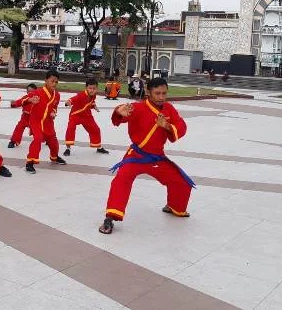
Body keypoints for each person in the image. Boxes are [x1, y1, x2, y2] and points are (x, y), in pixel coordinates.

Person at [99, 77, 192, 235]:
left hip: (157, 157)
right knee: (121, 180)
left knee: (182, 182)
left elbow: (181, 126)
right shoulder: (138, 108)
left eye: (164, 93)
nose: (162, 97)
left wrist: (168, 126)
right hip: (136, 155)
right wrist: (118, 112)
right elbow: (121, 115)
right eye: (157, 93)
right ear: (148, 92)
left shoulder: (169, 109)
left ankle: (174, 206)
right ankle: (110, 217)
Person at [25, 70, 66, 174]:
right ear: (46, 81)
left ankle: (54, 157)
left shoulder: (57, 95)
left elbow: (54, 107)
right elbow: (24, 99)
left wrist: (53, 112)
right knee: (38, 138)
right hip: (36, 121)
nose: (54, 84)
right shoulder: (37, 92)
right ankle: (30, 162)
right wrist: (28, 101)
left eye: (56, 82)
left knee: (53, 142)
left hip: (48, 122)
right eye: (52, 81)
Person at [63, 78, 109, 157]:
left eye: (94, 88)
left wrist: (94, 106)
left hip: (86, 115)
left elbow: (91, 102)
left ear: (96, 88)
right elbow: (73, 99)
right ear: (86, 88)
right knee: (70, 129)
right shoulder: (81, 95)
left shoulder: (93, 95)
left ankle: (98, 147)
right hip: (76, 115)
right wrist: (68, 102)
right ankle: (68, 148)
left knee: (96, 129)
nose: (92, 90)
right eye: (90, 88)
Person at [7, 83, 37, 149]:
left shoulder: (38, 99)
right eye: (28, 91)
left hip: (34, 118)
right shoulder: (25, 98)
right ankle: (13, 141)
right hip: (25, 117)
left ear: (36, 91)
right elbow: (19, 102)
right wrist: (13, 104)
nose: (30, 93)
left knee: (39, 130)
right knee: (19, 128)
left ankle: (46, 139)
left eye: (32, 91)